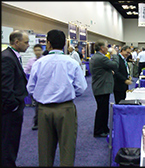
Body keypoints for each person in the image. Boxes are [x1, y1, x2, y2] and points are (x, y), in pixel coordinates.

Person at [26, 29, 87, 166]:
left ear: (48, 44)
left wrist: (41, 95)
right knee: (67, 148)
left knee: (45, 149)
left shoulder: (39, 63)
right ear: (64, 45)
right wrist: (68, 93)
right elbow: (81, 87)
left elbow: (30, 88)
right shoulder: (71, 63)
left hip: (43, 109)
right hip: (65, 108)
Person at [1, 30, 30, 167]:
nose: (28, 45)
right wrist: (14, 106)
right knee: (8, 142)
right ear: (16, 42)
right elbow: (5, 87)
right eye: (26, 42)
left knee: (11, 141)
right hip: (10, 110)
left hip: (13, 107)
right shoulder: (7, 57)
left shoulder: (12, 56)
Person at [89, 39, 119, 137]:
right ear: (102, 48)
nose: (108, 48)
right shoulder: (101, 58)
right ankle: (99, 130)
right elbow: (115, 65)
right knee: (102, 110)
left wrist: (109, 72)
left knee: (103, 109)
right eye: (107, 46)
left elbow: (102, 70)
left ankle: (104, 128)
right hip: (101, 87)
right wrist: (115, 54)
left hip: (100, 86)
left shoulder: (97, 57)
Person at [24, 43, 43, 130]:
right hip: (35, 86)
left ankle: (42, 122)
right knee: (37, 106)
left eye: (39, 50)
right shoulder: (32, 61)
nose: (37, 52)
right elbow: (26, 70)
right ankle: (37, 122)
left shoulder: (45, 60)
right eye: (35, 50)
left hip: (43, 85)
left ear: (42, 51)